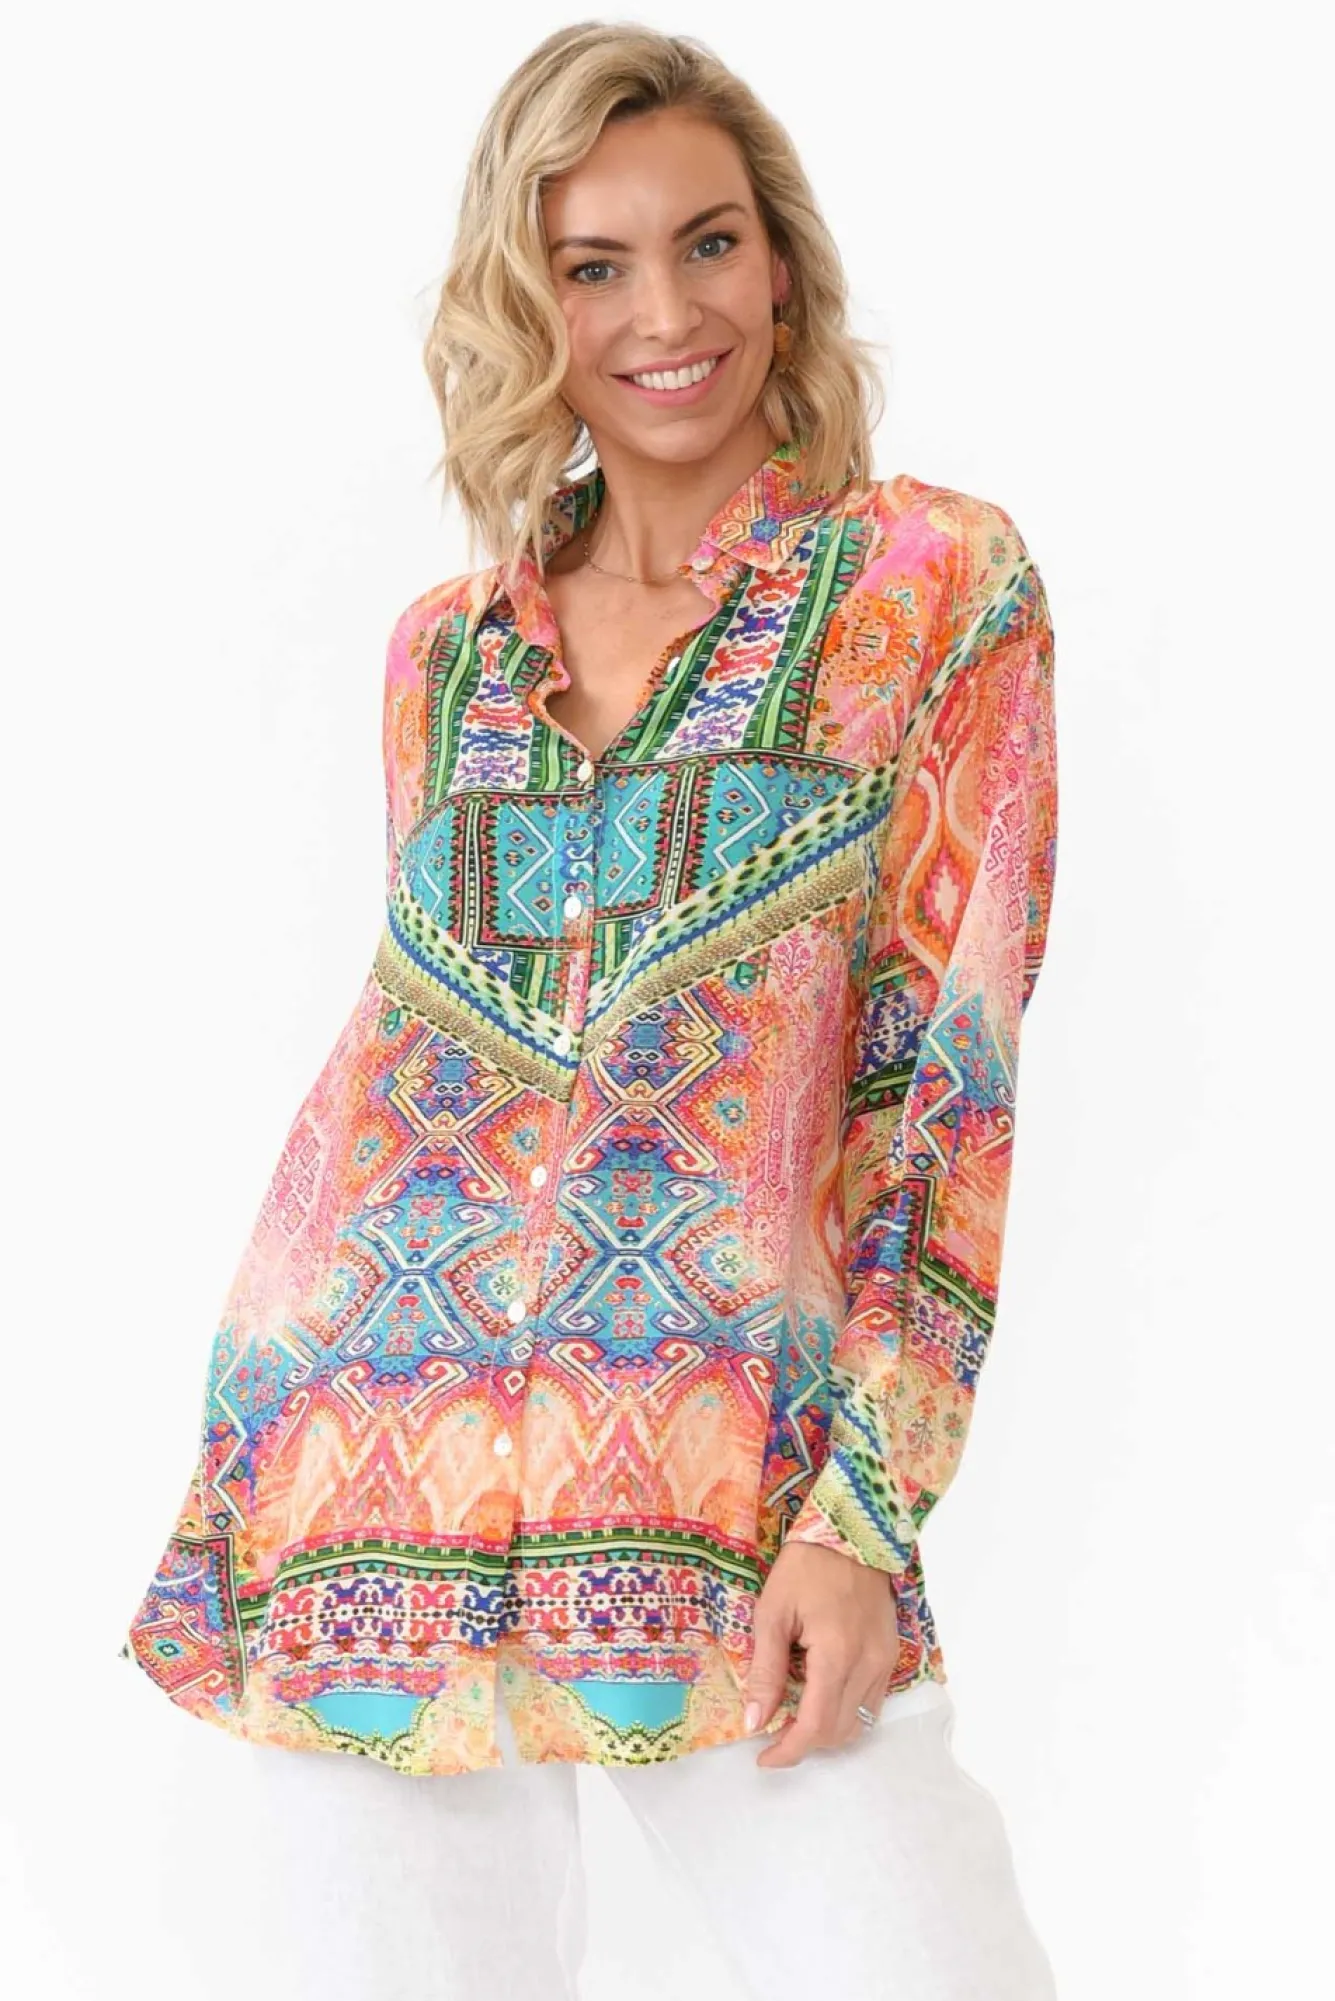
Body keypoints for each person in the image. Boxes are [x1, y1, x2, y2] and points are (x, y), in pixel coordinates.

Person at [121, 21, 1060, 1999]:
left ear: (779, 261)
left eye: (707, 243)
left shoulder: (928, 589)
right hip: (366, 1477)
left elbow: (945, 1090)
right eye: (593, 264)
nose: (665, 314)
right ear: (525, 301)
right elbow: (411, 1073)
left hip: (729, 1487)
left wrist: (863, 1511)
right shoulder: (443, 659)